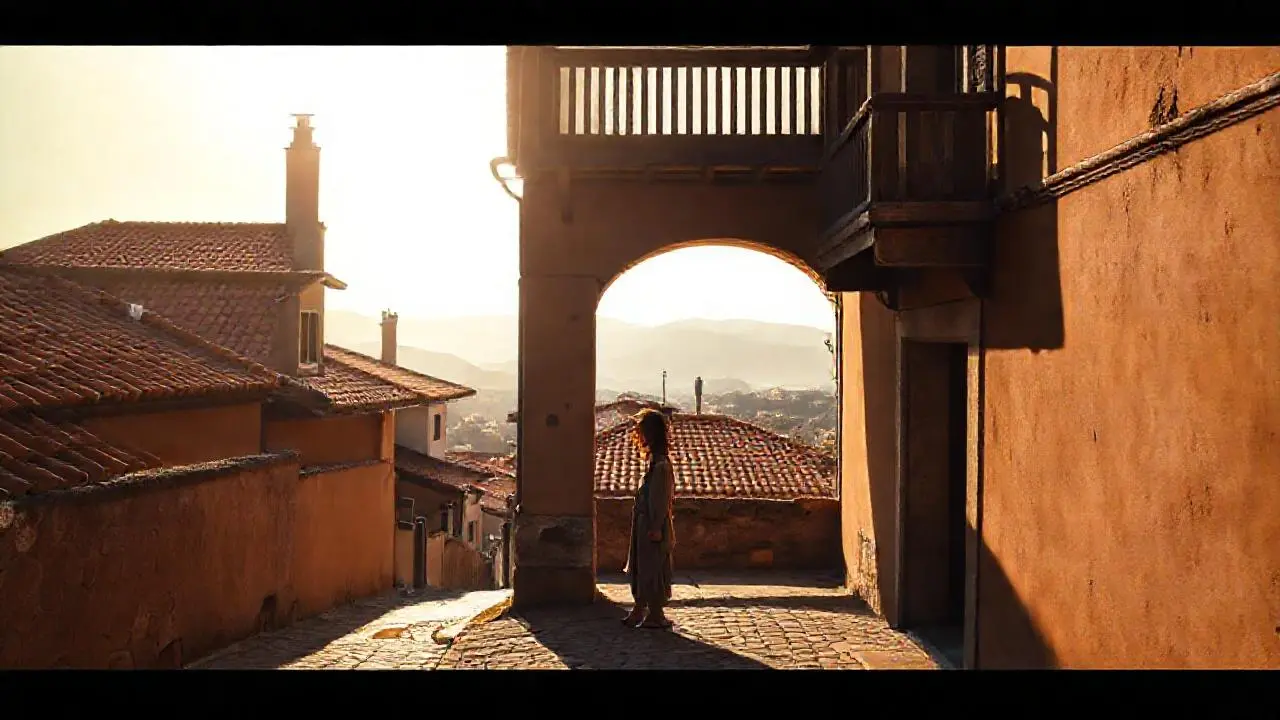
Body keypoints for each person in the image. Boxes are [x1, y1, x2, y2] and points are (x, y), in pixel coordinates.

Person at [621, 408, 676, 629]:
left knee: (653, 567)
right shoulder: (654, 463)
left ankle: (654, 613)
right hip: (644, 524)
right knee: (641, 566)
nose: (639, 436)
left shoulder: (661, 466)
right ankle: (639, 608)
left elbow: (660, 499)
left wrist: (655, 526)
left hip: (653, 526)